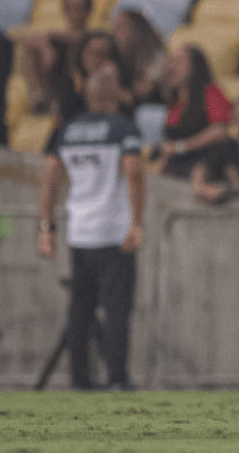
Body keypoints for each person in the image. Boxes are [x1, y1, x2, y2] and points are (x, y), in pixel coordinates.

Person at [37, 69, 145, 391]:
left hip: (79, 232)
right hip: (113, 233)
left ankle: (79, 380)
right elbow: (135, 173)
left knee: (79, 312)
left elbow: (50, 179)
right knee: (116, 310)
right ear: (115, 95)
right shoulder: (122, 128)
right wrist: (137, 223)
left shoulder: (67, 131)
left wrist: (47, 227)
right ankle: (116, 378)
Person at [157, 46, 239, 204]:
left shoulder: (210, 92)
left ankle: (203, 186)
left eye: (178, 62)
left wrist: (182, 146)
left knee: (222, 147)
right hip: (183, 159)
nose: (171, 66)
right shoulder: (174, 102)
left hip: (209, 155)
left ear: (195, 66)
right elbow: (171, 140)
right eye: (170, 61)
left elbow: (220, 131)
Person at [22, 0, 93, 113]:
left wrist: (47, 41)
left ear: (87, 11)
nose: (72, 13)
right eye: (68, 8)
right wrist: (45, 47)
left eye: (77, 8)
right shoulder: (57, 40)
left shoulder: (92, 37)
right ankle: (39, 98)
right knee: (32, 51)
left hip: (81, 88)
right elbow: (25, 39)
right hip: (56, 86)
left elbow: (78, 37)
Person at [110, 9, 167, 105]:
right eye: (114, 27)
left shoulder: (156, 54)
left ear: (137, 31)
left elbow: (145, 88)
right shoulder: (112, 53)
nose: (114, 32)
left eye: (121, 27)